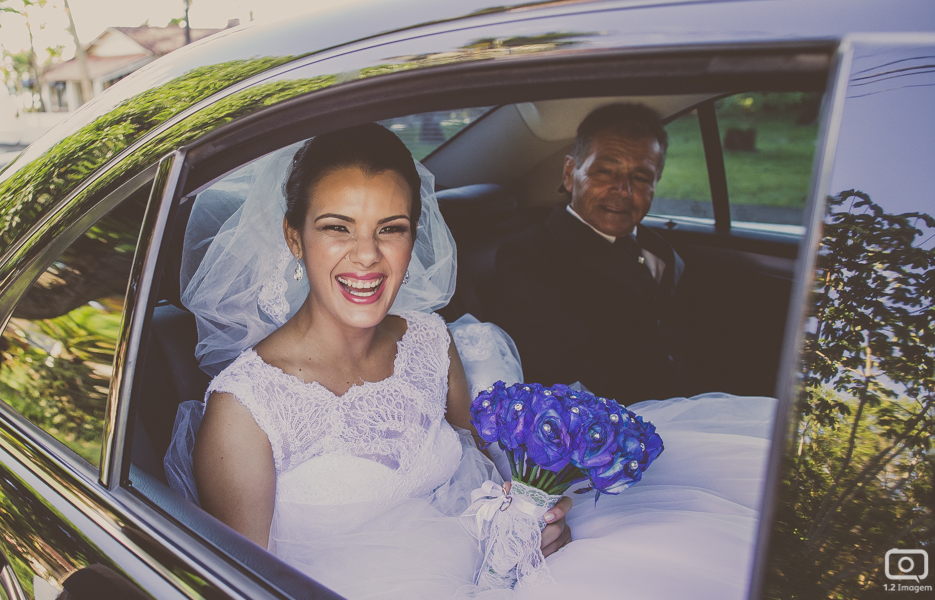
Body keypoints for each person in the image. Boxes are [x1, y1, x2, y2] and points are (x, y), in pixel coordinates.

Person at [166, 123, 773, 600]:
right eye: (338, 228)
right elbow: (237, 588)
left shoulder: (430, 341)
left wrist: (525, 523)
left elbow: (477, 472)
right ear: (295, 238)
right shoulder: (246, 408)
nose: (368, 257)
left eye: (392, 228)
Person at [490, 103, 688, 405]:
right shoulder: (529, 259)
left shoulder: (661, 250)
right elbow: (562, 379)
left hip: (690, 404)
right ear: (570, 174)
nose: (623, 190)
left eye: (642, 178)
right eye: (604, 171)